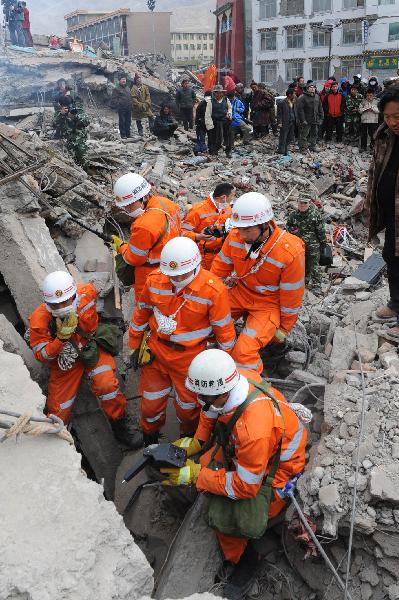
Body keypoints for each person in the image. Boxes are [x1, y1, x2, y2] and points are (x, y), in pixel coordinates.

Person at [162, 349, 307, 599]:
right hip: (254, 453)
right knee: (208, 464)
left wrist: (197, 476)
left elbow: (245, 487)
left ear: (219, 394)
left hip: (279, 472)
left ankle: (244, 559)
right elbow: (210, 411)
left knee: (226, 516)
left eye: (202, 396)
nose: (198, 399)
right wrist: (197, 442)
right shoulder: (233, 379)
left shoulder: (253, 430)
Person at [127, 238, 236, 445]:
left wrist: (225, 366)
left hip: (189, 359)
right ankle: (150, 440)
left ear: (196, 267)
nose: (175, 279)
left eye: (181, 274)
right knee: (150, 405)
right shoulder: (155, 280)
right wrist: (133, 345)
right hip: (156, 353)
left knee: (188, 409)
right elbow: (141, 313)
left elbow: (225, 332)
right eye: (171, 275)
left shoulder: (213, 290)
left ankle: (186, 443)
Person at [28, 271, 141, 448]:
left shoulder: (86, 293)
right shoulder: (39, 320)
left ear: (74, 295)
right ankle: (59, 445)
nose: (62, 307)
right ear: (48, 304)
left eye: (66, 302)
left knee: (107, 386)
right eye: (56, 305)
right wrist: (61, 340)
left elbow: (96, 310)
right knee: (58, 410)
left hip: (90, 347)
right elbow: (41, 355)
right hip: (64, 363)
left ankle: (120, 424)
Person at [211, 192, 305, 373]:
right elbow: (218, 270)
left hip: (267, 305)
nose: (241, 234)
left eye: (247, 230)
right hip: (240, 293)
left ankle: (249, 391)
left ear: (264, 225)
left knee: (244, 354)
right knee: (207, 325)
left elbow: (291, 295)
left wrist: (284, 329)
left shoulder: (289, 252)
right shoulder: (235, 237)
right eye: (239, 229)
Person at [111, 173, 181, 299]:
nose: (127, 209)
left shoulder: (143, 226)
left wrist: (121, 246)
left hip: (150, 274)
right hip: (173, 266)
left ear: (142, 198)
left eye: (129, 205)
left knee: (146, 306)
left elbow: (134, 259)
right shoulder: (167, 203)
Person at [365, 87, 399, 338]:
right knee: (391, 256)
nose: (392, 121)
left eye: (397, 116)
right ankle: (396, 303)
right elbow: (374, 171)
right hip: (390, 212)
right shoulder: (384, 135)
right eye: (387, 116)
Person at [182, 183, 235, 269]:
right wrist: (198, 236)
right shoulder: (197, 210)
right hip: (202, 257)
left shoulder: (228, 208)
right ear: (223, 198)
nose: (232, 199)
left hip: (221, 254)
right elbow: (182, 232)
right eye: (232, 196)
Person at [286, 198, 327, 292]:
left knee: (314, 266)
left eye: (305, 203)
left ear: (309, 203)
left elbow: (320, 230)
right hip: (298, 246)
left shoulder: (315, 214)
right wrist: (293, 231)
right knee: (301, 265)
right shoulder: (293, 215)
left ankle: (317, 286)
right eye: (301, 202)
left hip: (313, 245)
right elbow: (288, 227)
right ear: (298, 203)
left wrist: (323, 243)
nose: (303, 205)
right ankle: (303, 283)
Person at [52, 98, 90, 165]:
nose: (68, 108)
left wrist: (75, 117)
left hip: (79, 140)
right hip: (66, 141)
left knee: (84, 159)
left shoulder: (78, 111)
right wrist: (61, 115)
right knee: (70, 162)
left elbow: (86, 122)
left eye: (68, 106)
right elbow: (54, 125)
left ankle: (87, 171)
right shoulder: (58, 113)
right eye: (64, 106)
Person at [205, 84, 233, 158]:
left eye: (220, 92)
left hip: (225, 121)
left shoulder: (226, 99)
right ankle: (214, 150)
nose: (219, 94)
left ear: (222, 93)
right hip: (215, 122)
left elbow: (230, 108)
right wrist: (209, 125)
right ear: (214, 93)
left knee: (228, 136)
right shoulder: (210, 101)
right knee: (215, 137)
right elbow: (208, 114)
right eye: (217, 92)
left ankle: (228, 151)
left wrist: (229, 114)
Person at [296, 82, 323, 152]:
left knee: (314, 133)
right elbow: (300, 110)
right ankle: (303, 148)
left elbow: (320, 107)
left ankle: (313, 146)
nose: (312, 88)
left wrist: (321, 117)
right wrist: (303, 120)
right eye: (310, 87)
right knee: (304, 134)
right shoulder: (302, 97)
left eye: (313, 87)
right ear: (307, 89)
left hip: (315, 119)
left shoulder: (317, 96)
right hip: (306, 119)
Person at [110, 74, 133, 139]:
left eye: (125, 79)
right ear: (119, 81)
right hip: (122, 108)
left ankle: (128, 134)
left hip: (128, 108)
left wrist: (131, 105)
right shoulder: (116, 89)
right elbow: (114, 99)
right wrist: (119, 105)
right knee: (122, 121)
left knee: (128, 121)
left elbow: (130, 97)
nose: (124, 80)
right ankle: (123, 135)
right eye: (122, 79)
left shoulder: (127, 88)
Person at [277, 88, 296, 156]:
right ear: (290, 95)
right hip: (285, 122)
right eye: (294, 93)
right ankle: (281, 150)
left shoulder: (292, 101)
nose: (295, 95)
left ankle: (286, 149)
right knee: (283, 136)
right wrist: (279, 122)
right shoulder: (282, 102)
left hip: (291, 121)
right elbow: (279, 114)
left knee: (290, 137)